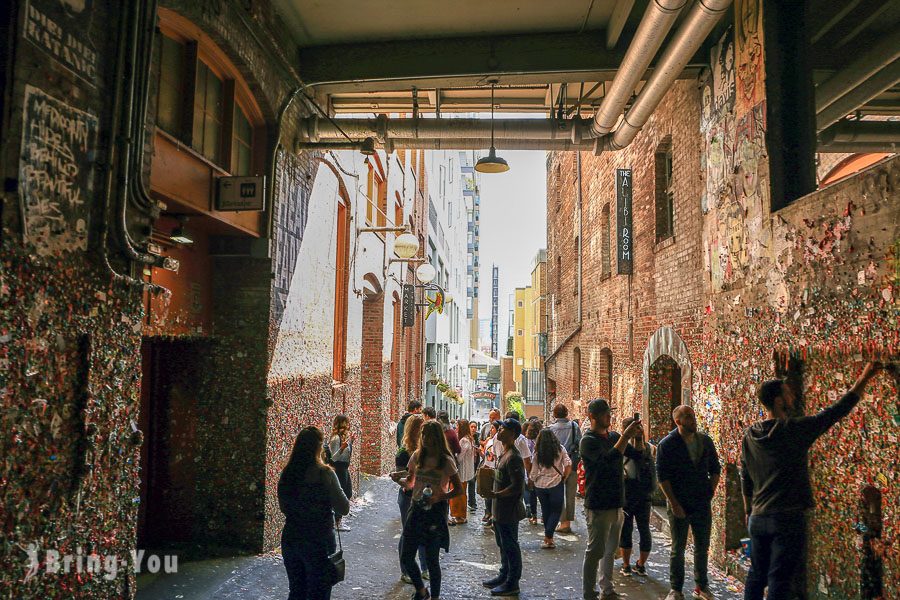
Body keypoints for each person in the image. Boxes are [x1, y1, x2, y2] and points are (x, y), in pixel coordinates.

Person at [741, 362, 883, 600]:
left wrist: (749, 511)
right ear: (778, 401)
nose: (793, 395)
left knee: (756, 576)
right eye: (788, 393)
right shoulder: (792, 430)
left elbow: (745, 476)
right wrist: (866, 376)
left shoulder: (750, 435)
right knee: (779, 580)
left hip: (758, 518)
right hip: (786, 518)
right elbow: (834, 412)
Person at [581, 399, 644, 600]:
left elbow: (637, 455)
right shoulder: (588, 440)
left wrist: (638, 438)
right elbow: (608, 460)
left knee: (609, 551)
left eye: (609, 412)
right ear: (593, 416)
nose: (609, 416)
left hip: (617, 502)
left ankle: (606, 589)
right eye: (605, 413)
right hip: (598, 504)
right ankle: (589, 593)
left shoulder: (614, 436)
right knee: (595, 551)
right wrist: (626, 436)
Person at [278, 426, 350, 600]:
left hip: (292, 537)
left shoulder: (288, 473)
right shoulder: (325, 474)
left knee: (296, 591)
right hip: (319, 540)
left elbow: (283, 506)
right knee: (319, 592)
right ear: (318, 448)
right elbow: (344, 508)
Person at [657, 405, 721, 600]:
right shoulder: (667, 444)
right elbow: (663, 478)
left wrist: (710, 491)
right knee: (678, 547)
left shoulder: (705, 441)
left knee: (702, 546)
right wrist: (674, 504)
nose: (693, 419)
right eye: (688, 417)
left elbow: (715, 469)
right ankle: (676, 589)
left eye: (693, 415)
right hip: (679, 503)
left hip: (701, 502)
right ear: (678, 421)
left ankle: (702, 586)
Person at [397, 420, 464, 600]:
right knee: (406, 556)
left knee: (432, 560)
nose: (425, 439)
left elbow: (459, 490)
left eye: (429, 435)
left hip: (435, 512)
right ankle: (421, 589)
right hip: (417, 509)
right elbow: (410, 483)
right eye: (423, 435)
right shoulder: (417, 456)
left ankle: (434, 597)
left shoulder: (446, 461)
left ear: (437, 438)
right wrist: (398, 480)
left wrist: (440, 496)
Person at [481, 418, 526, 597]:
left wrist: (496, 495)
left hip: (509, 510)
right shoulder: (504, 453)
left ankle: (512, 582)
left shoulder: (514, 457)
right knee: (502, 543)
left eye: (503, 429)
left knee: (510, 545)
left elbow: (517, 487)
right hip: (499, 509)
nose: (499, 430)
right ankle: (504, 574)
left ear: (513, 434)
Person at [618, 416, 656, 577]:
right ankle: (641, 564)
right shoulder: (651, 448)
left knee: (626, 528)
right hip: (645, 493)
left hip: (627, 492)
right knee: (644, 528)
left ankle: (626, 565)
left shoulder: (622, 449)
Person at [392, 414, 428, 584]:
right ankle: (405, 570)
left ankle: (425, 567)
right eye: (421, 427)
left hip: (422, 496)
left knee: (422, 532)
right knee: (408, 533)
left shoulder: (425, 450)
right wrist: (403, 479)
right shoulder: (403, 452)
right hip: (408, 496)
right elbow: (402, 480)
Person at [530, 428, 572, 549]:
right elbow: (568, 464)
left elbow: (534, 471)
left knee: (546, 510)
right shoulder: (560, 449)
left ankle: (548, 538)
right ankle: (549, 536)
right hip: (556, 483)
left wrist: (532, 481)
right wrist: (565, 476)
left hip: (540, 485)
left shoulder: (538, 453)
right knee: (556, 511)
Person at [547, 403, 582, 533]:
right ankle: (568, 521)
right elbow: (580, 443)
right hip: (572, 463)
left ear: (555, 414)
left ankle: (563, 522)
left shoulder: (550, 429)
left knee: (558, 493)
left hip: (556, 467)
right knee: (571, 494)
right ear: (566, 413)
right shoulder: (574, 426)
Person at [328, 414, 354, 532]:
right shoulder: (336, 439)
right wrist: (342, 448)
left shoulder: (342, 438)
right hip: (338, 468)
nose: (349, 425)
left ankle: (338, 519)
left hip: (344, 468)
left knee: (347, 492)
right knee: (342, 493)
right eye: (347, 423)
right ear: (342, 424)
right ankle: (337, 521)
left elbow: (346, 455)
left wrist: (351, 442)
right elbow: (334, 457)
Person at [450, 418, 475, 524]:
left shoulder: (464, 440)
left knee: (458, 494)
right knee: (461, 493)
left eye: (458, 426)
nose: (456, 428)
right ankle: (460, 515)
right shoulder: (468, 439)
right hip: (464, 471)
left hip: (461, 471)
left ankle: (459, 515)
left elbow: (459, 457)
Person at [523, 420, 541, 524]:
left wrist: (529, 473)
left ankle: (534, 516)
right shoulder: (543, 440)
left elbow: (526, 458)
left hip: (530, 469)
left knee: (532, 493)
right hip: (541, 471)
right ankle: (543, 516)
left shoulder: (527, 441)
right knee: (542, 495)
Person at [480, 422, 499, 525]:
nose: (490, 430)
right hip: (488, 469)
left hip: (495, 470)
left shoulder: (498, 441)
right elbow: (486, 457)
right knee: (487, 494)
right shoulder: (488, 441)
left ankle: (493, 516)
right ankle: (489, 514)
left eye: (493, 428)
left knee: (493, 493)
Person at [468, 421, 481, 512]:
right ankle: (471, 502)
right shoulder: (466, 438)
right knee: (471, 482)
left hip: (475, 463)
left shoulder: (477, 437)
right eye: (472, 427)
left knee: (472, 482)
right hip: (468, 463)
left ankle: (472, 502)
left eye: (475, 427)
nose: (473, 429)